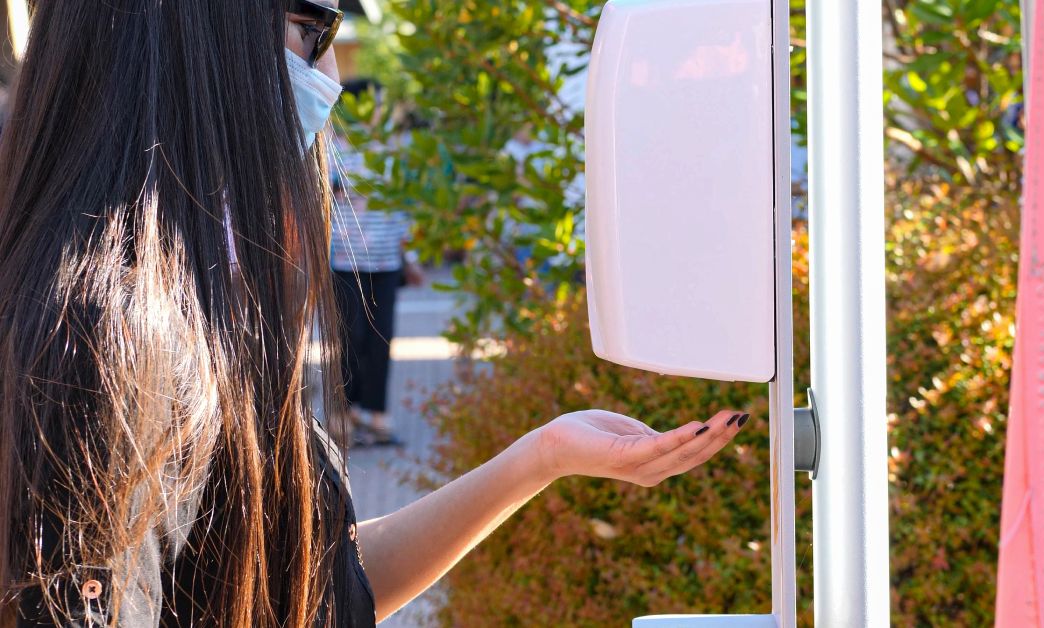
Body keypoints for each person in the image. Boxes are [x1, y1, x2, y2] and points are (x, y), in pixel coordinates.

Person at [0, 2, 751, 627]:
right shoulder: (99, 343)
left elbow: (313, 586)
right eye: (309, 30)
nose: (326, 76)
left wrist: (541, 458)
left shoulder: (191, 300)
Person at [329, 84, 414, 448]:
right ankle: (343, 416)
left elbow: (406, 207)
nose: (379, 110)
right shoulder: (333, 148)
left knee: (381, 340)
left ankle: (378, 416)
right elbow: (323, 192)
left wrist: (412, 257)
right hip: (345, 261)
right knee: (350, 338)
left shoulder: (395, 154)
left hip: (387, 261)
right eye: (372, 103)